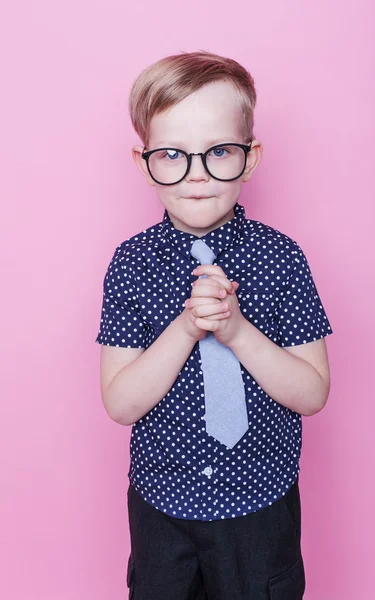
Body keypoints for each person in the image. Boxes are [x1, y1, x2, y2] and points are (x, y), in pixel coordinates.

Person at [95, 50, 333, 600]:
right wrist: (184, 328)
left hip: (260, 505)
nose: (197, 174)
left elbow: (312, 392)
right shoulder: (131, 264)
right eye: (173, 154)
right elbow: (120, 404)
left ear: (249, 158)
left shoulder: (281, 259)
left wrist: (236, 332)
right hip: (163, 507)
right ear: (143, 161)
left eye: (219, 152)